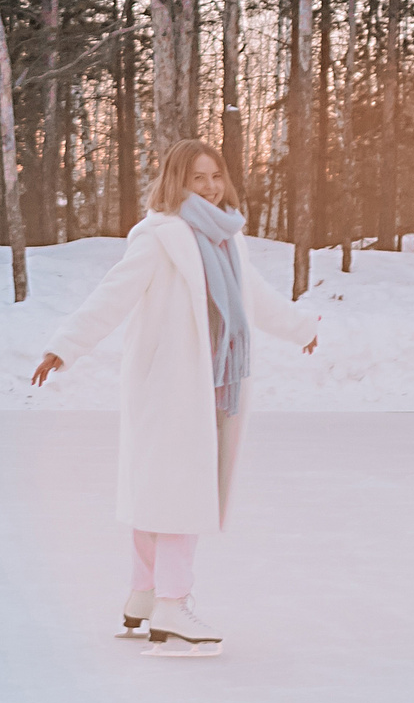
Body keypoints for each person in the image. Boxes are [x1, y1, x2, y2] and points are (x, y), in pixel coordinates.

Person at [31, 139, 319, 651]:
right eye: (197, 179)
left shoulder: (228, 239)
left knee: (159, 489)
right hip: (168, 385)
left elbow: (252, 295)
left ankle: (144, 594)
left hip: (209, 383)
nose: (209, 187)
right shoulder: (160, 236)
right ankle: (174, 601)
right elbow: (111, 295)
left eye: (215, 176)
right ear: (176, 183)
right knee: (181, 491)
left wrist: (299, 327)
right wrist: (65, 346)